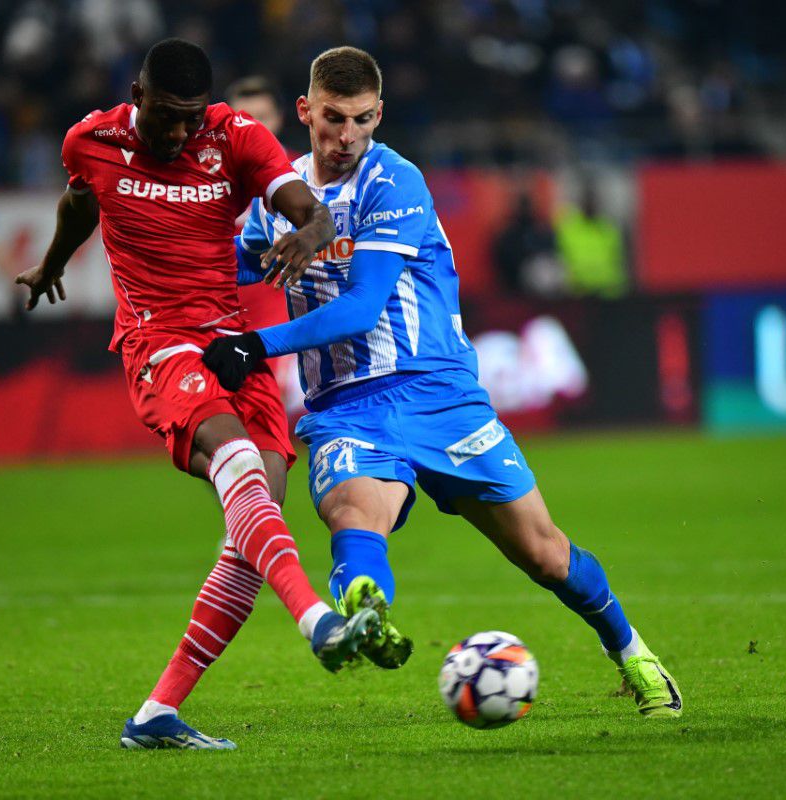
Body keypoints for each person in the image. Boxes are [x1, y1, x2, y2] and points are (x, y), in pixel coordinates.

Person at [204, 47, 683, 718]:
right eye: (334, 119)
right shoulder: (277, 200)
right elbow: (230, 264)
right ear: (306, 112)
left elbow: (362, 308)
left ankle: (631, 651)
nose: (347, 137)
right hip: (347, 407)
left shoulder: (393, 181)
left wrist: (254, 345)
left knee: (546, 555)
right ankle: (367, 609)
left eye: (363, 120)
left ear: (379, 115)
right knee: (351, 512)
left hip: (437, 393)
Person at [13, 39, 379, 752]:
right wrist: (52, 264)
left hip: (228, 344)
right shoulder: (91, 141)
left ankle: (157, 713)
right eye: (167, 116)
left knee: (252, 527)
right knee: (237, 465)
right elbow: (81, 200)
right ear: (137, 97)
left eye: (192, 117)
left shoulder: (234, 136)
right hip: (158, 342)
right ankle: (316, 620)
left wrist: (312, 231)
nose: (180, 132)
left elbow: (308, 208)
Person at [225, 76, 300, 411]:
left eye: (262, 117)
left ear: (279, 119)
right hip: (218, 312)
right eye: (244, 119)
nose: (254, 127)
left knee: (270, 409)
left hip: (279, 313)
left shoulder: (303, 173)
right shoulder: (205, 178)